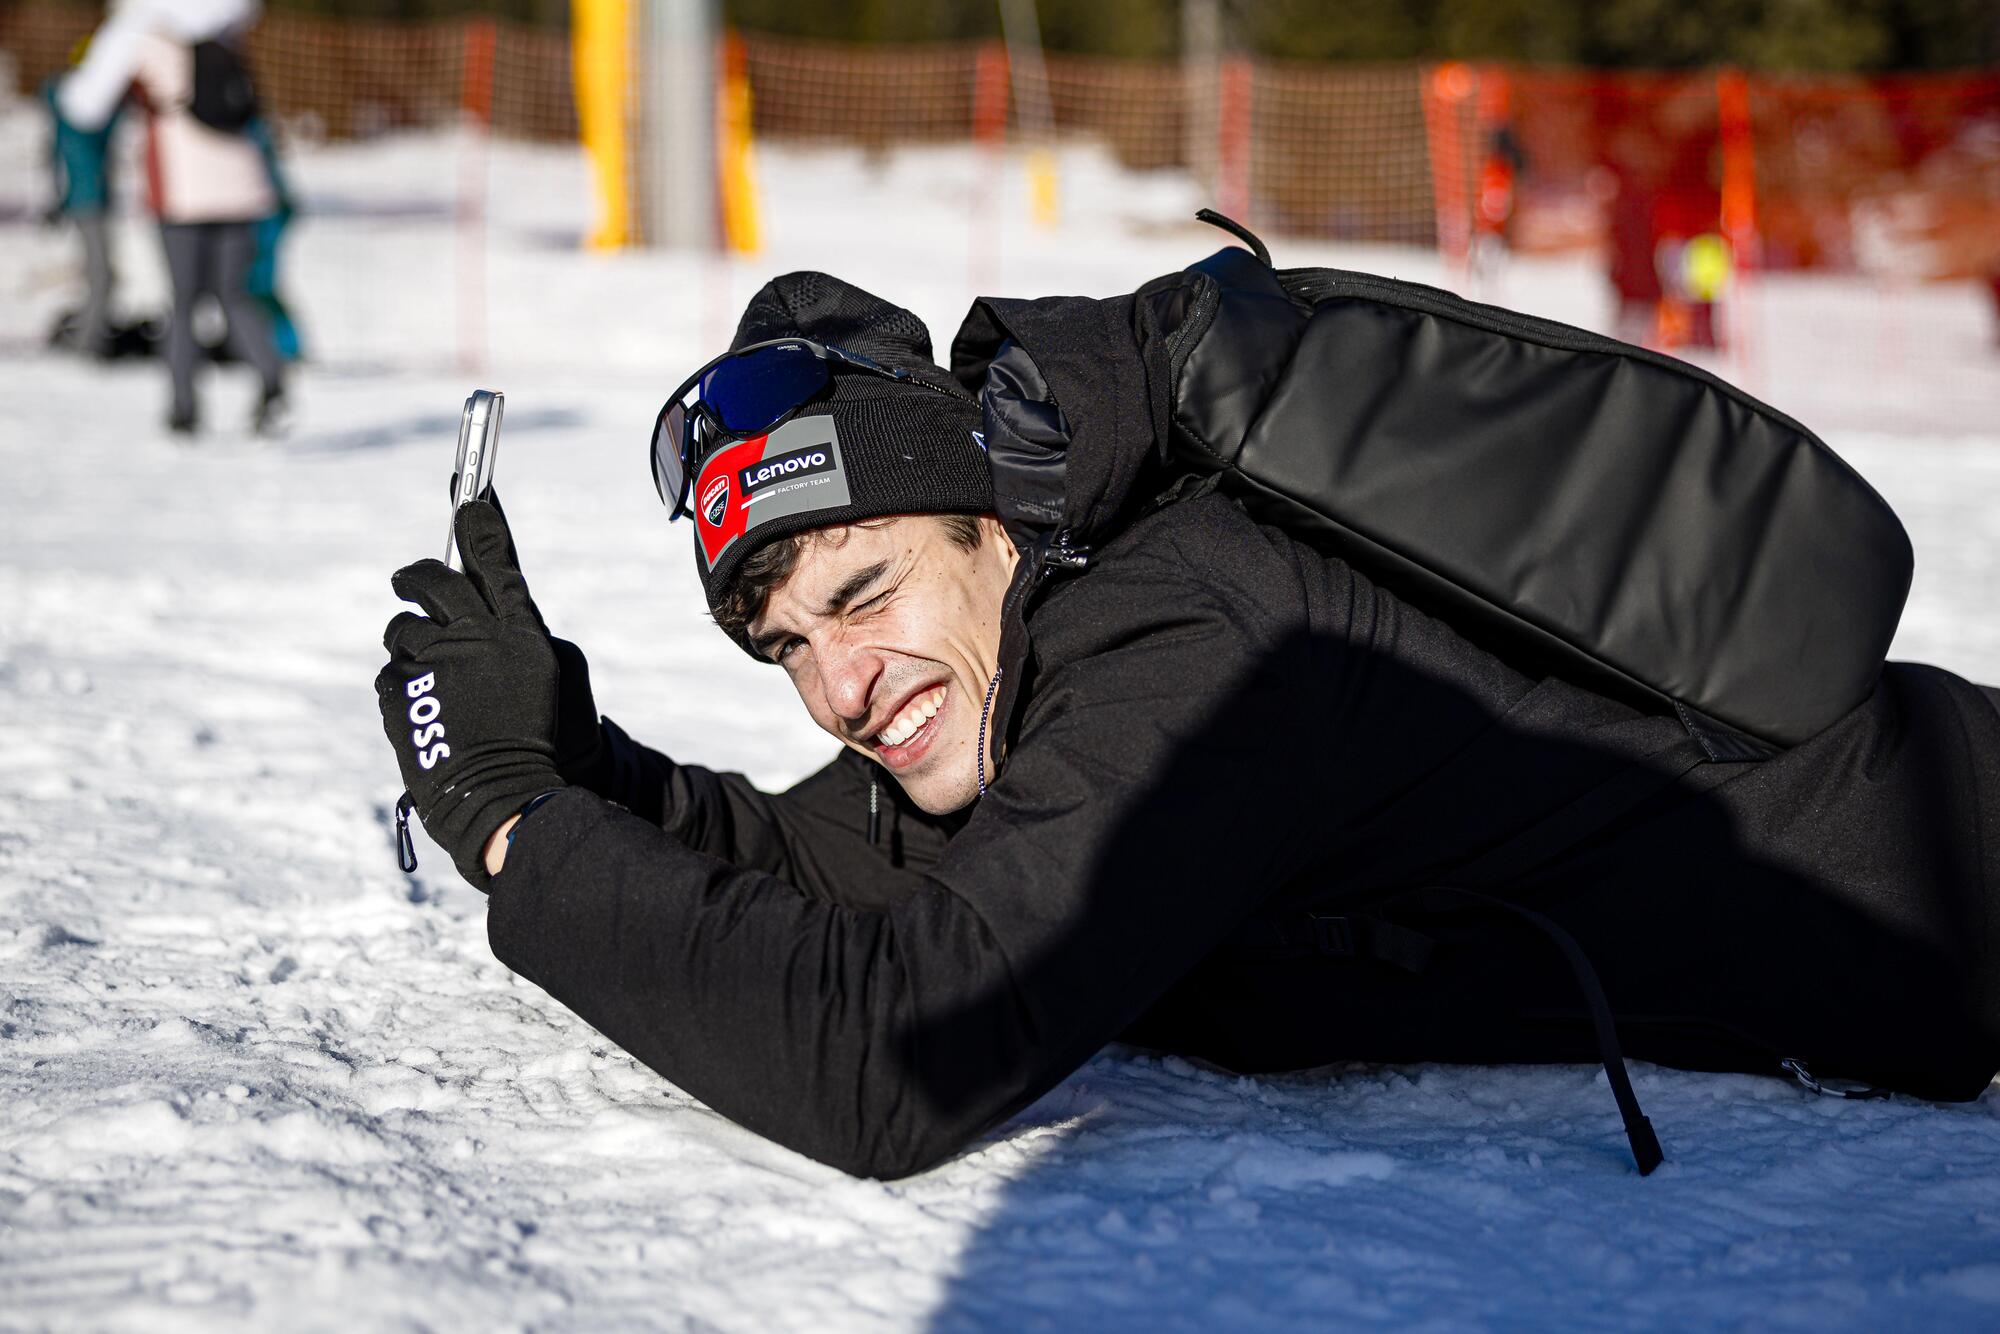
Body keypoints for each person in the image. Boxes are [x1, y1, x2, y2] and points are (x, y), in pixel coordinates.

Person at [377, 271, 2000, 1180]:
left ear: (990, 521)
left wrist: (526, 824)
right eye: (785, 647)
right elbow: (830, 863)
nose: (838, 688)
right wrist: (576, 761)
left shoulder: (1196, 624)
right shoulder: (1027, 654)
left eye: (863, 594)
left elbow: (891, 1050)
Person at [59, 0, 288, 437]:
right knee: (236, 294)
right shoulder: (225, 27)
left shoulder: (142, 31)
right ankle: (271, 379)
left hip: (182, 189)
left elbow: (82, 106)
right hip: (243, 185)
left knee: (183, 302)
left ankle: (184, 408)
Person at [40, 60, 123, 359]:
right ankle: (89, 343)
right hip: (89, 200)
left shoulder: (64, 109)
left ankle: (90, 337)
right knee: (101, 275)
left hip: (83, 199)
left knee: (100, 273)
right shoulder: (85, 114)